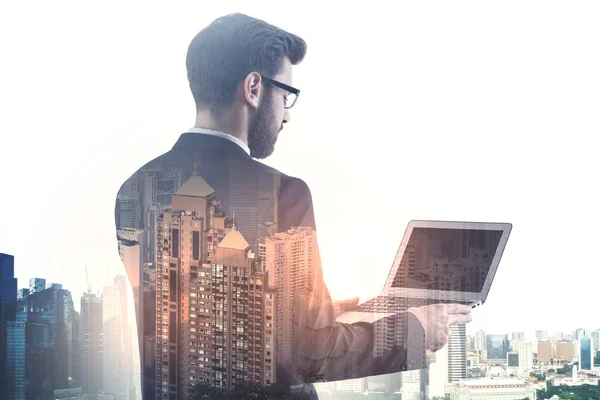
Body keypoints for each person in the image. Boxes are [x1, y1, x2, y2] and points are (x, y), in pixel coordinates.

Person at [114, 13, 472, 399]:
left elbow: (219, 320)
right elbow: (310, 354)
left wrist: (336, 310)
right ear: (253, 88)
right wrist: (417, 330)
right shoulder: (281, 194)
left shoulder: (134, 190)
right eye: (285, 95)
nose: (286, 114)